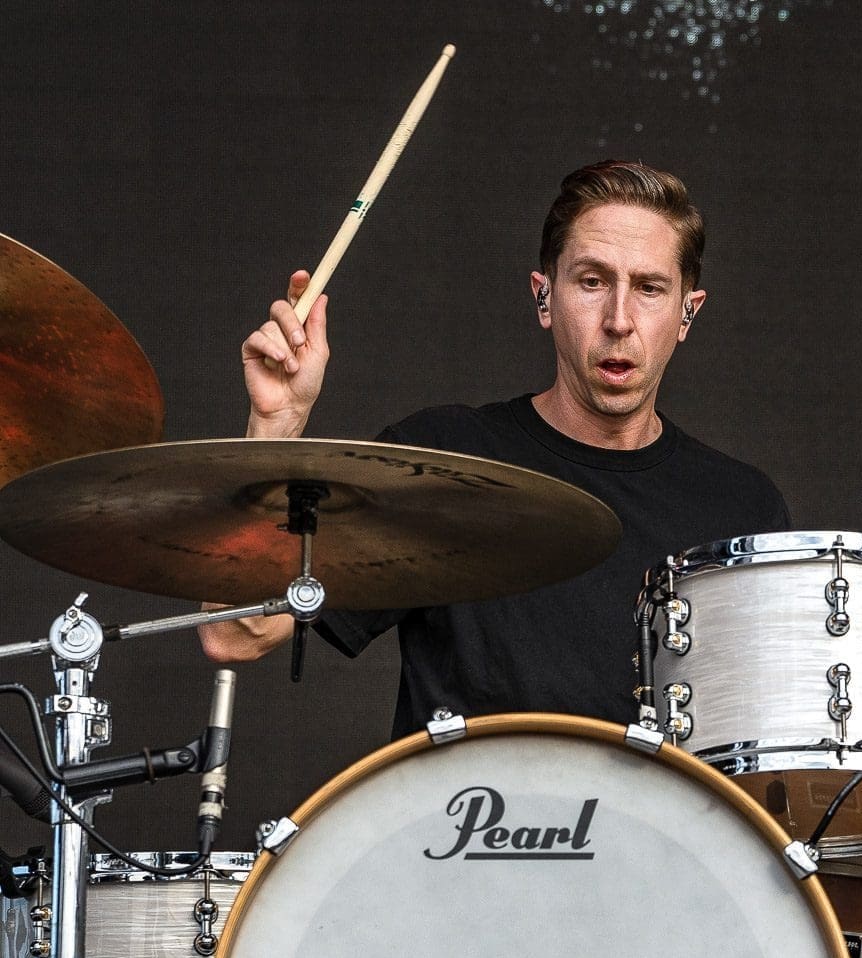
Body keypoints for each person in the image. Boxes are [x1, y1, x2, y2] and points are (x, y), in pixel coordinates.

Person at [199, 160, 789, 736]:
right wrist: (277, 421)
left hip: (670, 834)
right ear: (544, 297)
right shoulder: (441, 459)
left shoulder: (742, 508)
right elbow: (236, 632)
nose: (618, 319)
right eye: (592, 281)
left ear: (688, 312)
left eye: (650, 289)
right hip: (468, 829)